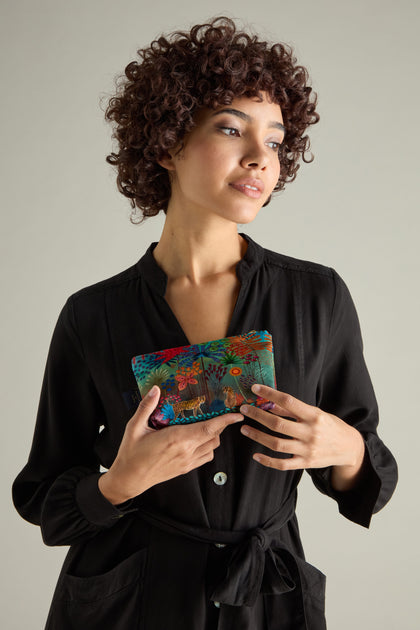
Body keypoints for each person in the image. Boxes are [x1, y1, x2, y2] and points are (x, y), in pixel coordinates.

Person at [12, 16, 398, 630]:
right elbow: (44, 497)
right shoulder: (93, 314)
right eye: (230, 129)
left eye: (274, 140)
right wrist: (119, 482)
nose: (260, 158)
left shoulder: (317, 297)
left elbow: (369, 465)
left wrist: (346, 449)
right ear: (166, 144)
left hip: (265, 601)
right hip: (129, 602)